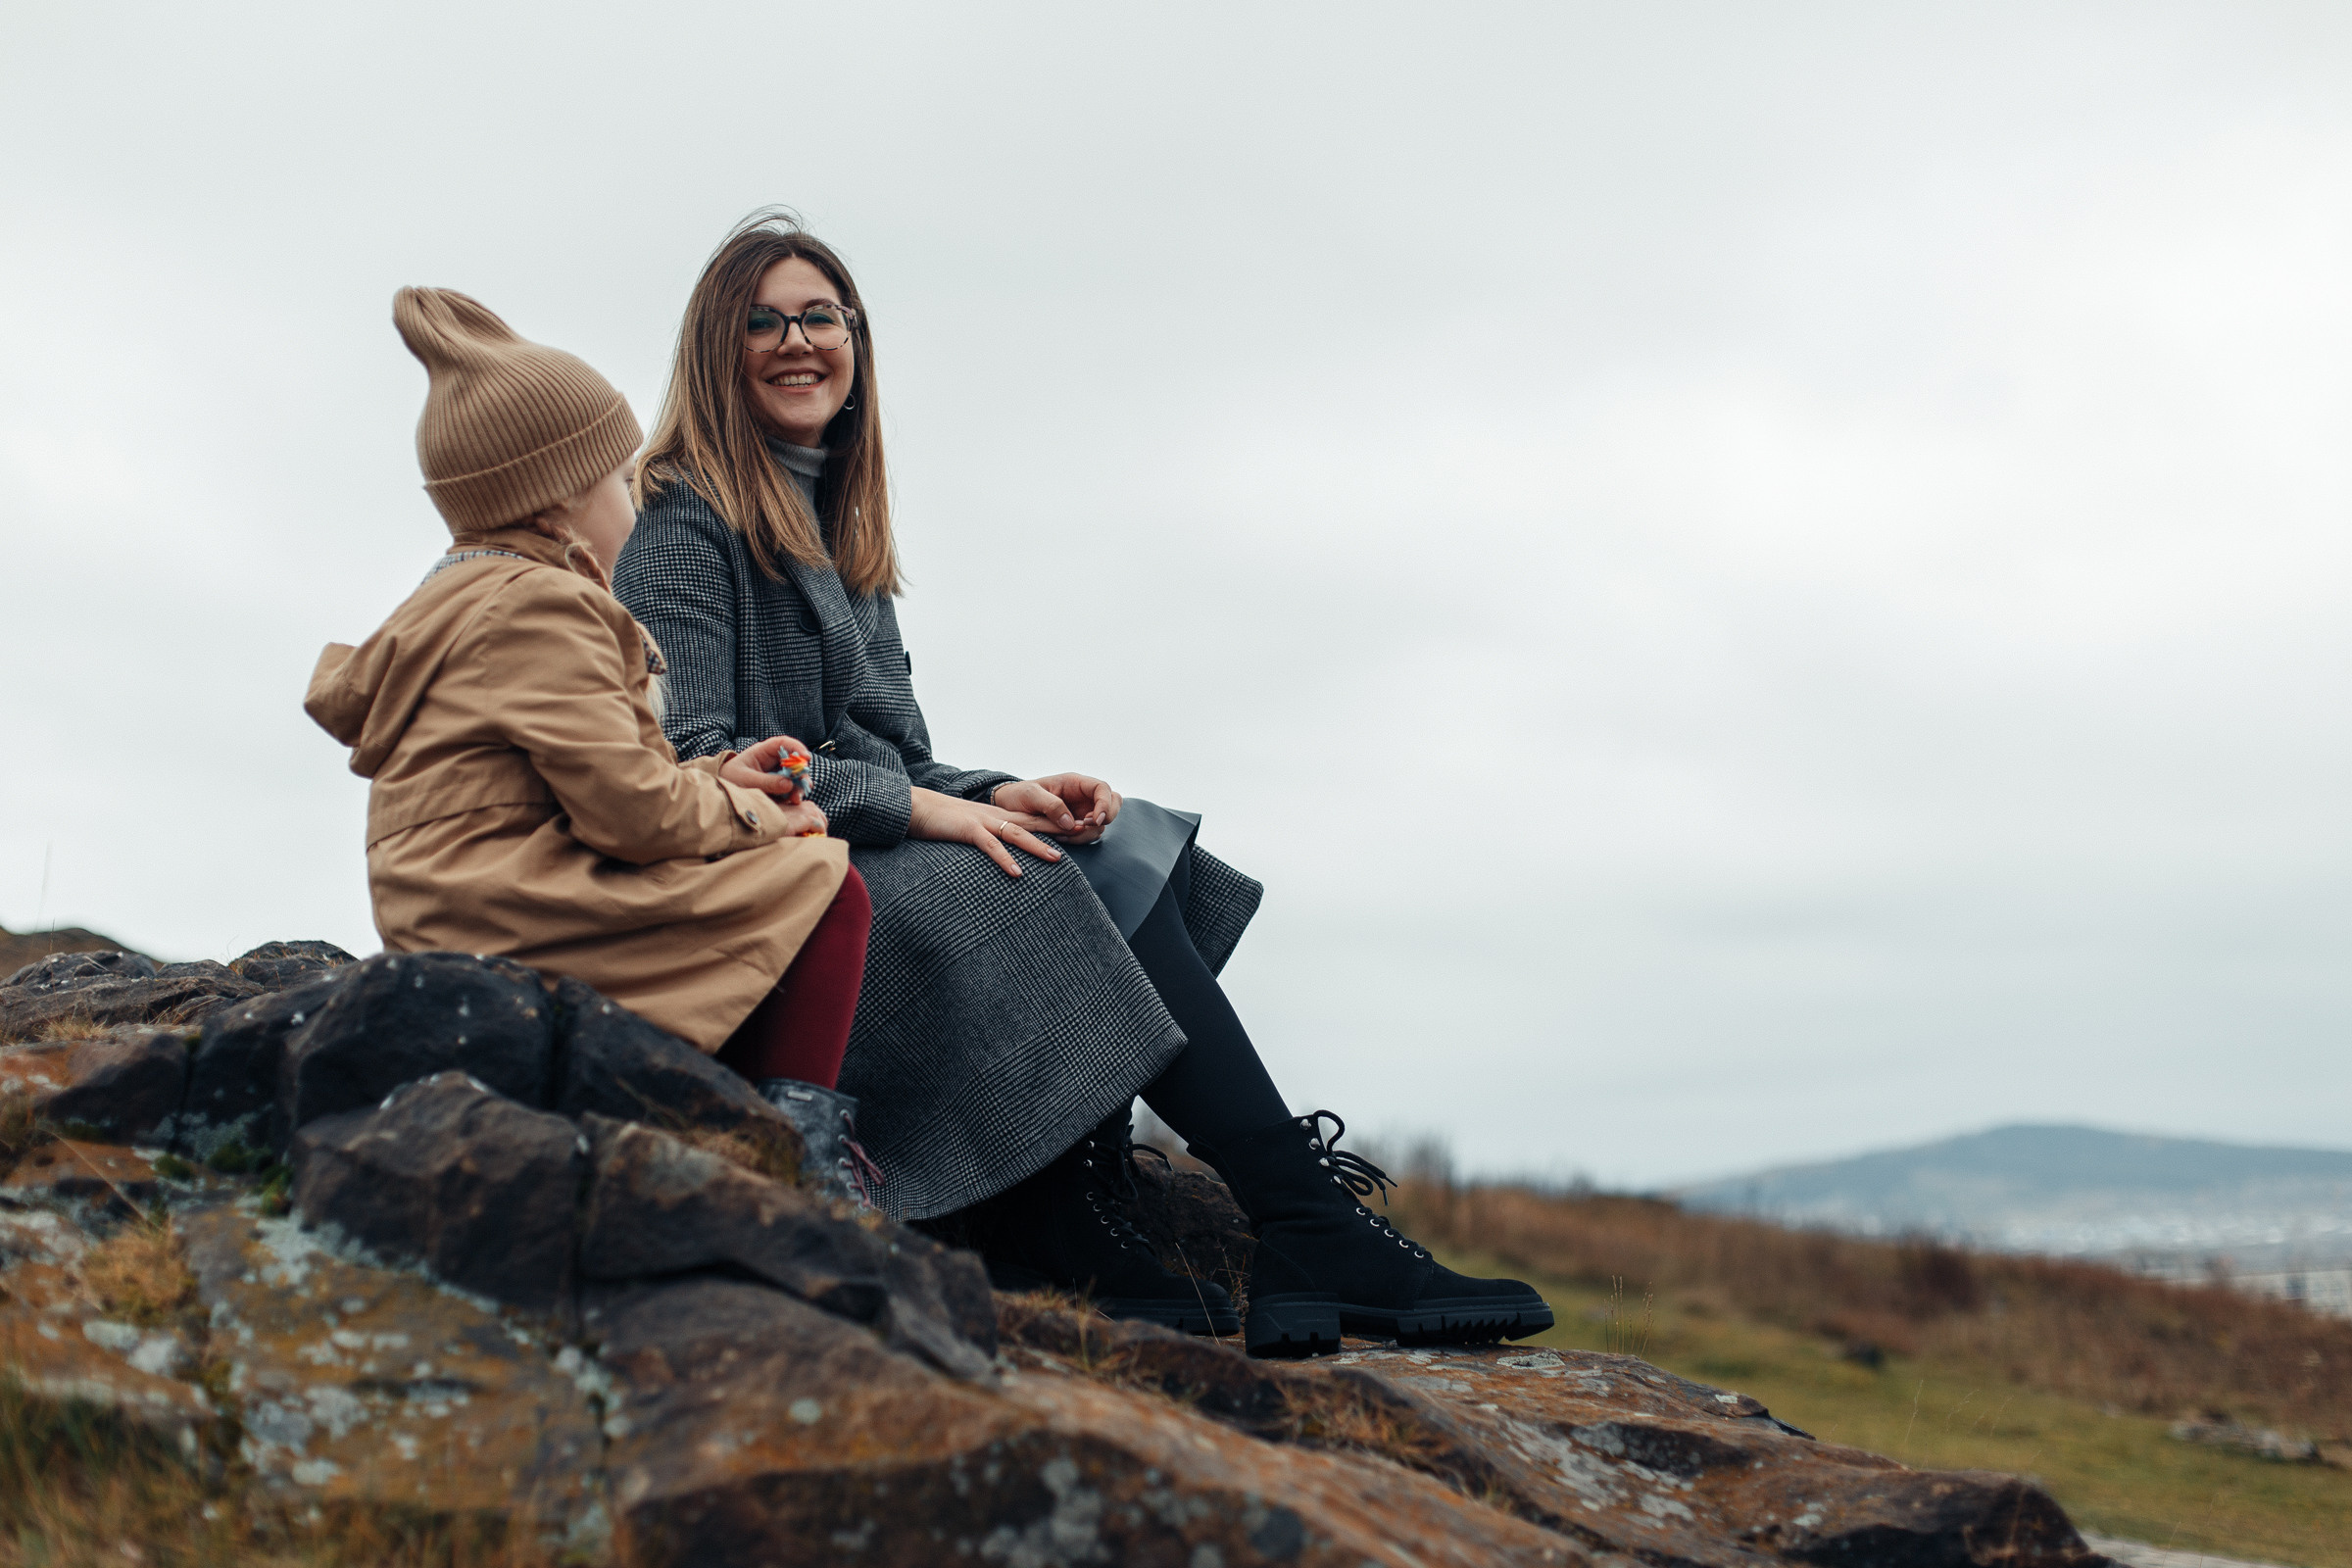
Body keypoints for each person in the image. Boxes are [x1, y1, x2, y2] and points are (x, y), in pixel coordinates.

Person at [613, 211, 1553, 1356]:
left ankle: (1188, 1215)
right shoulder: (678, 524)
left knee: (1116, 839)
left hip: (858, 840)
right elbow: (700, 757)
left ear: (856, 339)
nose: (796, 339)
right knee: (1034, 881)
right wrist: (923, 809)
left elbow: (900, 754)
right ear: (719, 352)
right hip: (789, 893)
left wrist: (999, 789)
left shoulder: (833, 521)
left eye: (821, 315)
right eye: (762, 322)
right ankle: (1216, 1216)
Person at [304, 286, 880, 1202]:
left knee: (754, 875)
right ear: (556, 508)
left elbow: (578, 778)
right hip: (509, 906)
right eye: (619, 483)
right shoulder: (546, 605)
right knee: (824, 882)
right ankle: (796, 1152)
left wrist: (713, 772)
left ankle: (718, 1107)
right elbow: (628, 813)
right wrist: (752, 815)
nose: (634, 506)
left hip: (457, 896)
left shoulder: (461, 600)